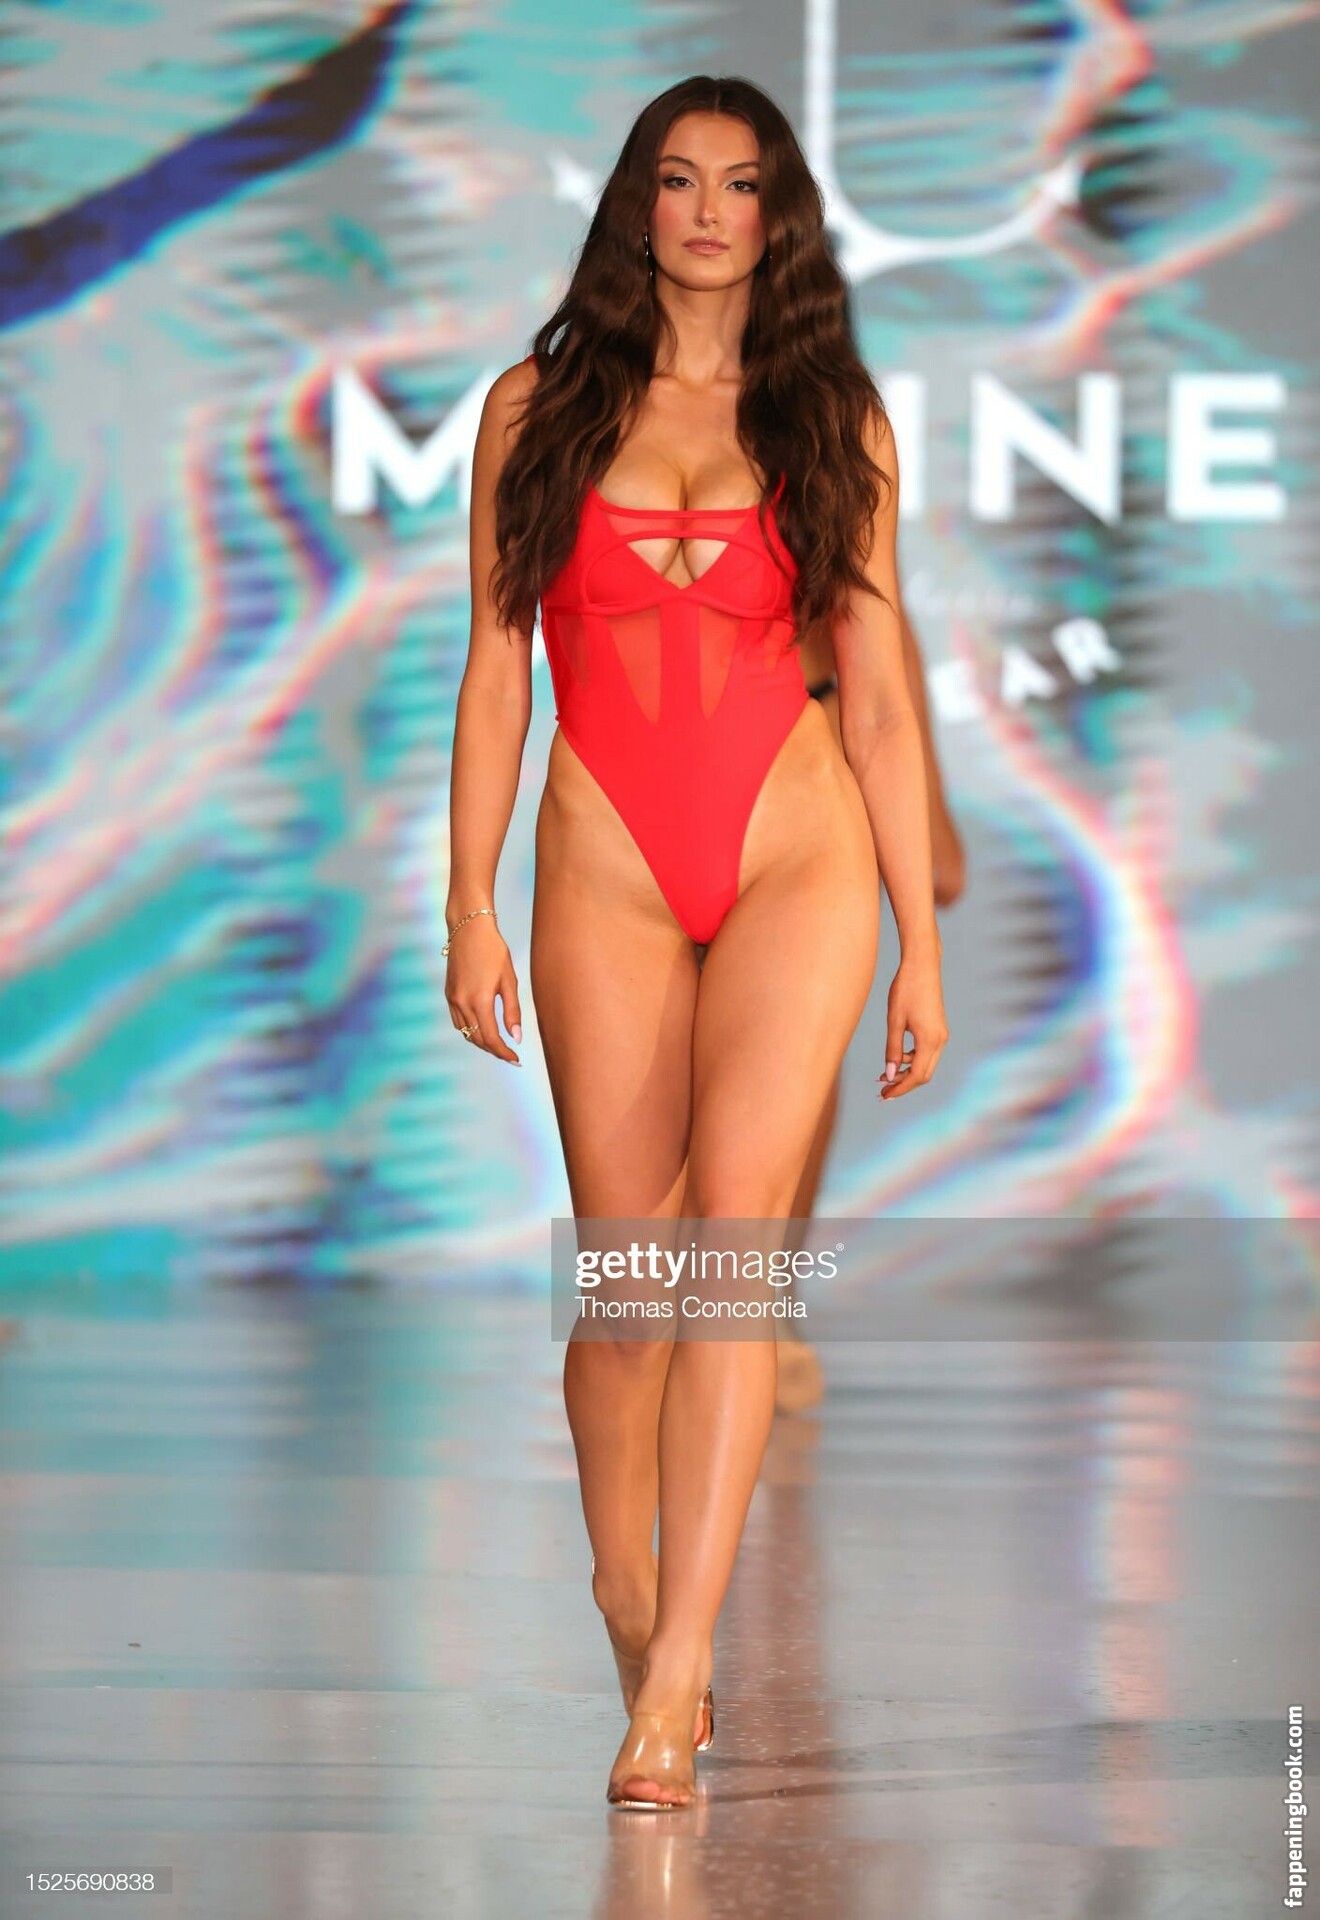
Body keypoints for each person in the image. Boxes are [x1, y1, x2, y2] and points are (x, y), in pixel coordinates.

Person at [444, 74, 948, 1810]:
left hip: (796, 846)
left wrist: (920, 941)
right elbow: (496, 669)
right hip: (602, 862)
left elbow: (878, 698)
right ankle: (624, 1589)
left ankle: (676, 1680)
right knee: (628, 1293)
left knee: (732, 1256)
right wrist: (466, 899)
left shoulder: (834, 419)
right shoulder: (535, 407)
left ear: (778, 214)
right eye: (678, 180)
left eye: (741, 183)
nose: (710, 211)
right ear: (637, 207)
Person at [774, 602, 968, 1414]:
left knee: (793, 1055)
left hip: (812, 754)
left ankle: (762, 1304)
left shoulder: (848, 593)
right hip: (666, 782)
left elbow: (872, 612)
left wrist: (924, 808)